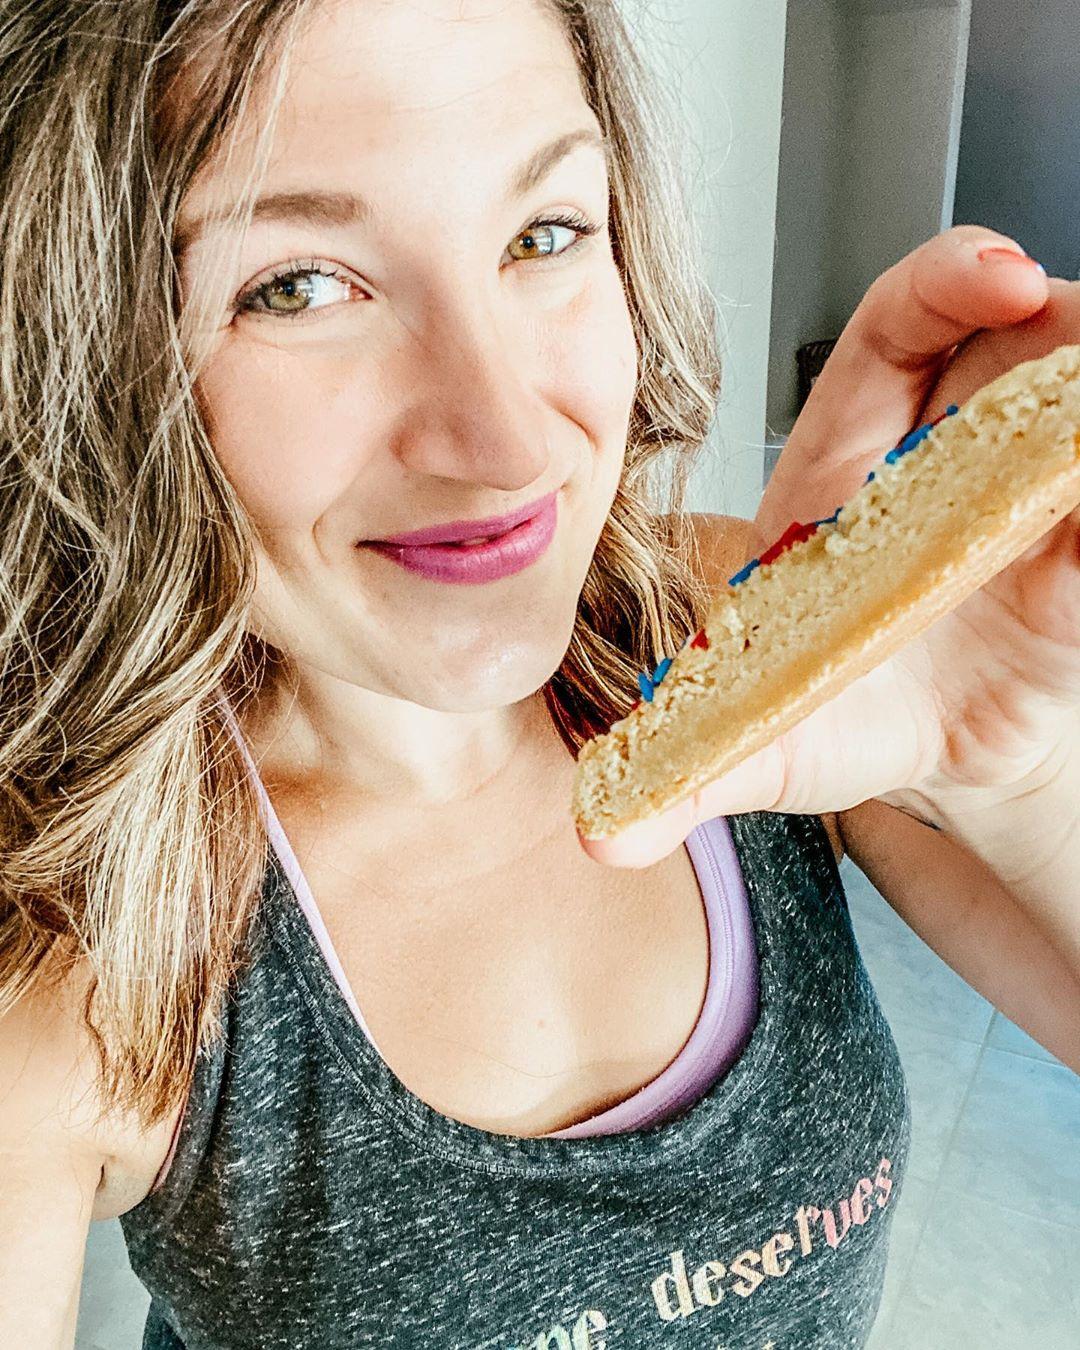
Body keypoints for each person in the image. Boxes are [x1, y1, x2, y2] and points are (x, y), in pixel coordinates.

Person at [1, 1, 1078, 1347]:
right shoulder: (76, 959)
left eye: (543, 233)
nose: (506, 442)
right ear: (98, 359)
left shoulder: (727, 647)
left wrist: (1012, 763)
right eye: (298, 283)